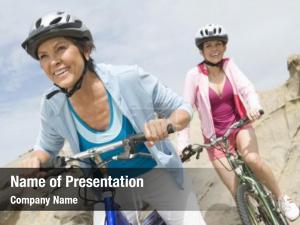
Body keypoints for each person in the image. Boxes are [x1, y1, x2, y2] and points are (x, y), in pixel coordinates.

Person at [20, 11, 206, 225]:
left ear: (86, 50)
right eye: (43, 56)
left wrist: (167, 123)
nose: (53, 61)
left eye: (60, 48)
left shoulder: (128, 78)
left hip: (155, 173)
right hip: (108, 186)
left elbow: (182, 108)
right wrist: (35, 159)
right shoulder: (52, 105)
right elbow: (46, 147)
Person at [177, 23, 299, 221]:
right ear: (201, 50)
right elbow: (185, 110)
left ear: (224, 47)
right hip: (215, 139)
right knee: (236, 191)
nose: (214, 49)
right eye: (209, 46)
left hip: (239, 125)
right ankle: (252, 216)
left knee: (252, 160)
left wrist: (253, 106)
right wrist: (183, 144)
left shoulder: (229, 66)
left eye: (218, 44)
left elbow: (247, 89)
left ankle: (281, 198)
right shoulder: (193, 76)